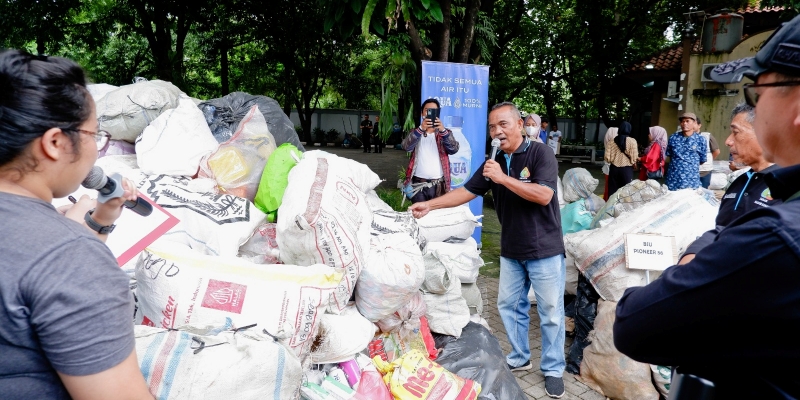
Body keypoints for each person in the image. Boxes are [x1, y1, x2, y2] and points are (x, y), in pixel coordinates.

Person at [613, 15, 800, 398]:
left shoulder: (778, 233)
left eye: (757, 94)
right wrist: (699, 251)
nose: (731, 142)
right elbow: (723, 228)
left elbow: (635, 324)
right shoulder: (763, 194)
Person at [0, 50, 153, 399]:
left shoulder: (61, 252)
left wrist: (100, 220)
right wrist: (74, 243)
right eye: (94, 134)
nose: (96, 148)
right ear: (55, 142)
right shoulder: (70, 258)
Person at [410, 102, 566, 398]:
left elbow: (544, 195)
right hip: (511, 248)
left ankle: (554, 368)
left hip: (544, 247)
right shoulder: (491, 163)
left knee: (550, 312)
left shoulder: (540, 153)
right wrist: (429, 205)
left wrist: (502, 179)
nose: (497, 131)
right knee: (509, 306)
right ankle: (520, 356)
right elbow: (466, 192)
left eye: (503, 124)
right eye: (492, 127)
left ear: (520, 124)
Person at [679, 102, 781, 264]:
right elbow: (722, 230)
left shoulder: (787, 187)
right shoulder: (740, 182)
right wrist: (691, 255)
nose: (728, 141)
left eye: (736, 132)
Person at [401, 99, 459, 203]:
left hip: (439, 186)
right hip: (418, 185)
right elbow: (406, 147)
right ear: (422, 113)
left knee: (437, 217)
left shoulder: (445, 133)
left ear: (438, 114)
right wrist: (421, 129)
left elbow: (454, 149)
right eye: (427, 110)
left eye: (434, 111)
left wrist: (443, 130)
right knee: (419, 216)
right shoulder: (415, 133)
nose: (429, 113)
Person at [665, 112, 707, 190]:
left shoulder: (701, 139)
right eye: (682, 121)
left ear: (694, 123)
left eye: (687, 121)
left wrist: (689, 165)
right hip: (674, 179)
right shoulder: (673, 138)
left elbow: (702, 159)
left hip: (691, 180)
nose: (684, 124)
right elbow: (670, 155)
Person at [604, 121, 638, 198]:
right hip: (626, 170)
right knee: (626, 192)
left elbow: (607, 158)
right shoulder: (632, 141)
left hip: (614, 169)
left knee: (612, 191)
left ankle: (611, 208)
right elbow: (634, 157)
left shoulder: (611, 142)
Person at [697, 118, 721, 188]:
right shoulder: (686, 138)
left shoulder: (706, 136)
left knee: (703, 191)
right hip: (691, 171)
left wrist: (708, 160)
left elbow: (717, 151)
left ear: (699, 125)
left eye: (694, 123)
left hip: (705, 171)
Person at [601, 127, 619, 200]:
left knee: (607, 185)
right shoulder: (614, 143)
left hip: (607, 167)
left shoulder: (607, 141)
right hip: (612, 167)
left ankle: (606, 199)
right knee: (612, 186)